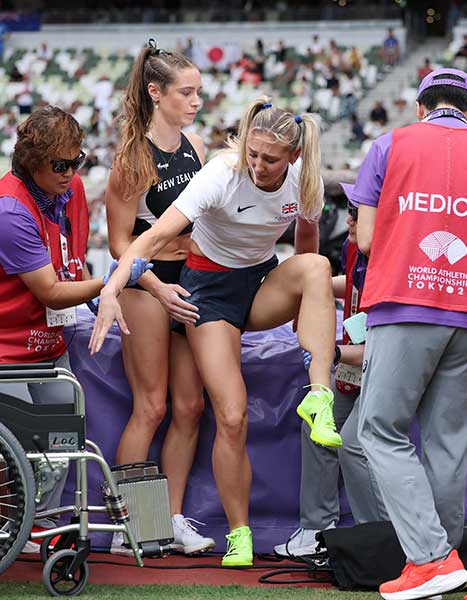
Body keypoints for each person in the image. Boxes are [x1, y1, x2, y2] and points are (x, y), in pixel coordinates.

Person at [90, 97, 342, 567]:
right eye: (253, 154)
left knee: (318, 267)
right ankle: (239, 533)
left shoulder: (304, 184)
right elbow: (152, 237)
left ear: (293, 157)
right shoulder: (222, 174)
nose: (259, 165)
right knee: (230, 415)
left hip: (262, 282)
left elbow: (308, 258)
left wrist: (315, 315)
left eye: (270, 159)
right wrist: (114, 285)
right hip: (209, 291)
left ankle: (320, 396)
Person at [0, 106, 150, 554]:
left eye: (78, 161)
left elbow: (68, 266)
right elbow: (52, 292)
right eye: (61, 164)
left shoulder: (65, 189)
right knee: (15, 443)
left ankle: (37, 527)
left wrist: (95, 288)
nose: (72, 173)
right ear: (32, 160)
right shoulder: (6, 212)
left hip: (41, 338)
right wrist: (115, 281)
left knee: (62, 437)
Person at [350, 67, 467, 600]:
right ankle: (439, 561)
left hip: (405, 303)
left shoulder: (389, 145)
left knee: (379, 430)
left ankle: (429, 558)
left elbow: (367, 239)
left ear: (421, 107)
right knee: (448, 447)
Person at [104, 41, 215, 556]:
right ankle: (134, 527)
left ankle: (168, 518)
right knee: (150, 406)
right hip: (147, 285)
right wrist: (155, 286)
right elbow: (119, 243)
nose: (196, 100)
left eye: (197, 91)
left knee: (190, 407)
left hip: (188, 281)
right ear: (156, 92)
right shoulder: (132, 157)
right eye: (186, 92)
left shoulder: (191, 144)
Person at [275, 184, 387, 558]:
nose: (348, 218)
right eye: (350, 209)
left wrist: (333, 352)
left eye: (357, 211)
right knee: (318, 424)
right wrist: (307, 287)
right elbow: (351, 285)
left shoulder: (395, 259)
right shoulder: (355, 246)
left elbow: (387, 351)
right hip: (353, 362)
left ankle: (382, 539)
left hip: (382, 368)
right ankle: (317, 530)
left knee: (356, 443)